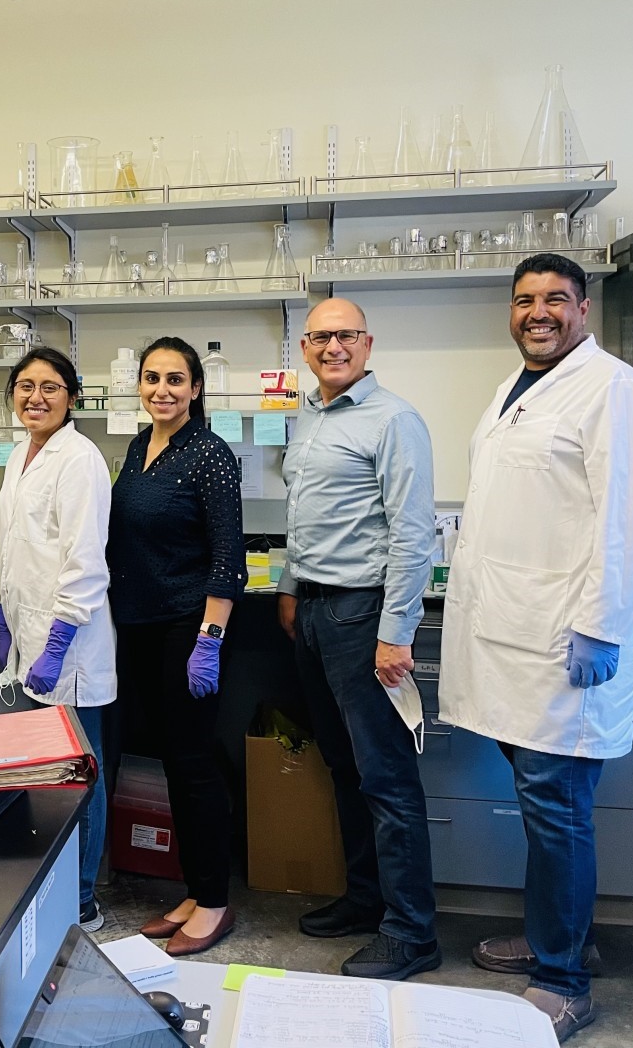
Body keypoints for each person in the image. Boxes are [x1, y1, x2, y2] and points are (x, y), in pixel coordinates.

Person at [440, 253, 633, 1042]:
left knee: (559, 810)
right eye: (525, 300)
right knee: (545, 807)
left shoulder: (616, 392)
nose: (539, 312)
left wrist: (603, 626)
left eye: (556, 300)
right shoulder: (515, 388)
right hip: (513, 632)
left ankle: (565, 981)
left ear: (584, 308)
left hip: (566, 639)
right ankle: (553, 940)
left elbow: (631, 519)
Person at [278, 298, 441, 980]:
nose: (332, 347)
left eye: (344, 336)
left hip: (362, 617)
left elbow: (411, 532)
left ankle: (412, 935)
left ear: (367, 343)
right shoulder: (309, 417)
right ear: (305, 347)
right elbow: (303, 515)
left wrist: (395, 633)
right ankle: (366, 900)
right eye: (319, 337)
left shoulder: (395, 419)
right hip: (314, 612)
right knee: (345, 770)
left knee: (387, 780)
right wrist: (288, 588)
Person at [107, 336, 245, 958]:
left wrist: (209, 640)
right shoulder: (139, 447)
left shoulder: (209, 453)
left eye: (175, 380)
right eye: (152, 378)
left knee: (193, 766)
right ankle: (195, 890)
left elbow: (227, 555)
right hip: (138, 625)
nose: (162, 389)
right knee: (172, 763)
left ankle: (215, 901)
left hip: (186, 628)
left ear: (195, 388)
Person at [0, 346, 115, 932]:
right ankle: (57, 884)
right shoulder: (20, 454)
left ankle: (84, 899)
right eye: (24, 386)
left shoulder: (80, 458)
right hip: (31, 637)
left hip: (72, 647)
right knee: (50, 777)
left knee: (80, 777)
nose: (35, 397)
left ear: (72, 397)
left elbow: (85, 561)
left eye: (50, 387)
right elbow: (14, 543)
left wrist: (59, 640)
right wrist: (0, 611)